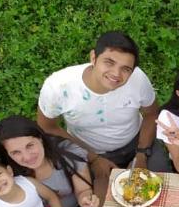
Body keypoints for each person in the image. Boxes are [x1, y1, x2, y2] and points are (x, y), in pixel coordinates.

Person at [37, 31, 159, 177]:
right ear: (93, 57)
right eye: (109, 62)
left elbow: (151, 113)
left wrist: (142, 154)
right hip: (86, 150)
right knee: (98, 198)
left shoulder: (138, 79)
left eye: (126, 69)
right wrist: (92, 158)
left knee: (163, 190)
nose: (116, 74)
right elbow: (47, 127)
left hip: (138, 141)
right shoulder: (58, 87)